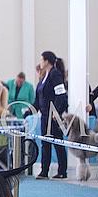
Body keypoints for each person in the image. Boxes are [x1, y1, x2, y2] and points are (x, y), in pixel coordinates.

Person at [34, 51, 68, 179]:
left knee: (57, 143)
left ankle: (62, 171)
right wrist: (29, 110)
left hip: (53, 116)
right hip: (44, 116)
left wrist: (56, 112)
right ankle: (44, 171)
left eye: (41, 60)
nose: (40, 62)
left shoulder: (55, 74)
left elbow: (61, 95)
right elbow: (39, 98)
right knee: (45, 143)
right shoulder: (44, 76)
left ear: (47, 61)